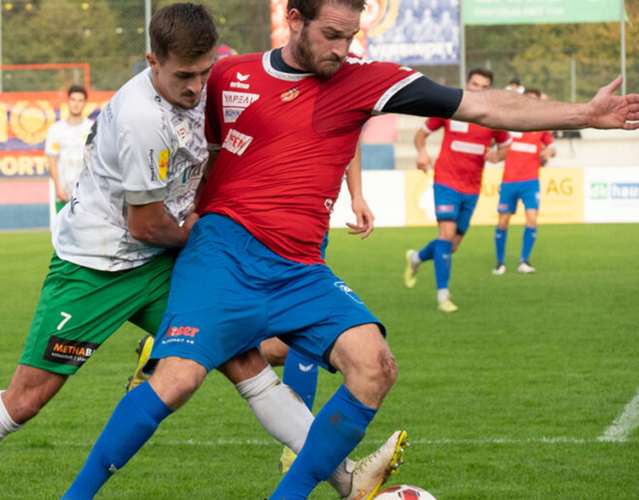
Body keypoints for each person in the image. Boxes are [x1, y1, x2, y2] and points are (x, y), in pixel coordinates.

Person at [58, 1, 639, 499]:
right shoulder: (229, 75)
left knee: (374, 366)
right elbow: (185, 145)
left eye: (350, 35)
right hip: (223, 252)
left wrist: (585, 115)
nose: (342, 48)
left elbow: (483, 106)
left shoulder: (367, 81)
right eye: (331, 34)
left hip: (300, 268)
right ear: (294, 20)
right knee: (177, 381)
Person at [0, 5, 394, 500]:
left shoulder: (209, 86)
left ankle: (345, 480)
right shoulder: (140, 118)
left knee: (245, 362)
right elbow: (145, 225)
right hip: (98, 266)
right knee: (26, 399)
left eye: (204, 73)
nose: (196, 87)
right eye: (183, 76)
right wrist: (214, 236)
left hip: (161, 261)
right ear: (153, 62)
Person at [405, 68, 511, 313]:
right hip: (446, 181)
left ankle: (416, 258)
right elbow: (421, 135)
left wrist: (497, 156)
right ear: (466, 83)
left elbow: (505, 145)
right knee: (447, 234)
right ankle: (443, 295)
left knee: (451, 245)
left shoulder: (492, 117)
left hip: (472, 187)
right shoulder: (450, 108)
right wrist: (422, 153)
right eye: (475, 84)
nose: (478, 89)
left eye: (484, 87)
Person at [492, 88, 555, 275]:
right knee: (503, 221)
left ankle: (524, 261)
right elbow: (496, 143)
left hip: (531, 181)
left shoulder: (542, 124)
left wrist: (549, 152)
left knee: (532, 218)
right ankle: (500, 263)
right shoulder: (509, 121)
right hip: (509, 180)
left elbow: (552, 148)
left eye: (534, 100)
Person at [44, 84, 93, 212]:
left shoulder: (91, 128)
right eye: (73, 100)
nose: (76, 104)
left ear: (85, 103)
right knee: (62, 224)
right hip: (64, 192)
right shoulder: (56, 129)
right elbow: (52, 160)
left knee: (85, 224)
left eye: (80, 100)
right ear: (68, 102)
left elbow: (95, 159)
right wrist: (58, 187)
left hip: (86, 193)